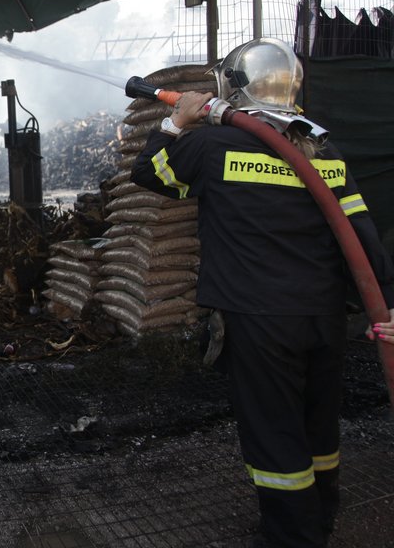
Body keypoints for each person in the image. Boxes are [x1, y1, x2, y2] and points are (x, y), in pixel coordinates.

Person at [129, 37, 394, 547]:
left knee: (273, 432)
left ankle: (291, 537)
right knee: (317, 424)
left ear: (233, 86)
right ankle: (320, 517)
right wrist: (386, 303)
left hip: (259, 319)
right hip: (324, 317)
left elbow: (151, 172)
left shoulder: (211, 147)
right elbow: (361, 234)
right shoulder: (324, 151)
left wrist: (175, 123)